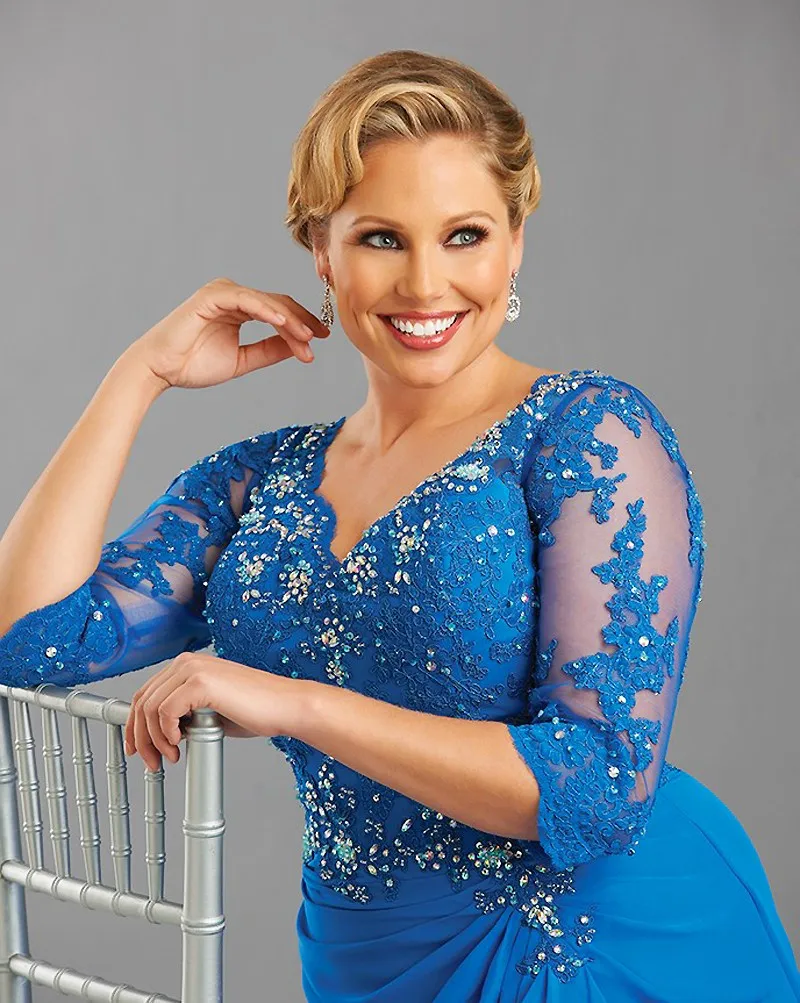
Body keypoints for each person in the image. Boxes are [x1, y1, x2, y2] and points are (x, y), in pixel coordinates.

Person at [0, 48, 797, 1003]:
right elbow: (27, 639)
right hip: (362, 957)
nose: (425, 283)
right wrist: (139, 377)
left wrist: (298, 702)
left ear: (515, 243)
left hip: (591, 946)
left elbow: (597, 788)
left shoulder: (588, 435)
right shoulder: (264, 481)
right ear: (320, 250)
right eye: (382, 237)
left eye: (465, 235)